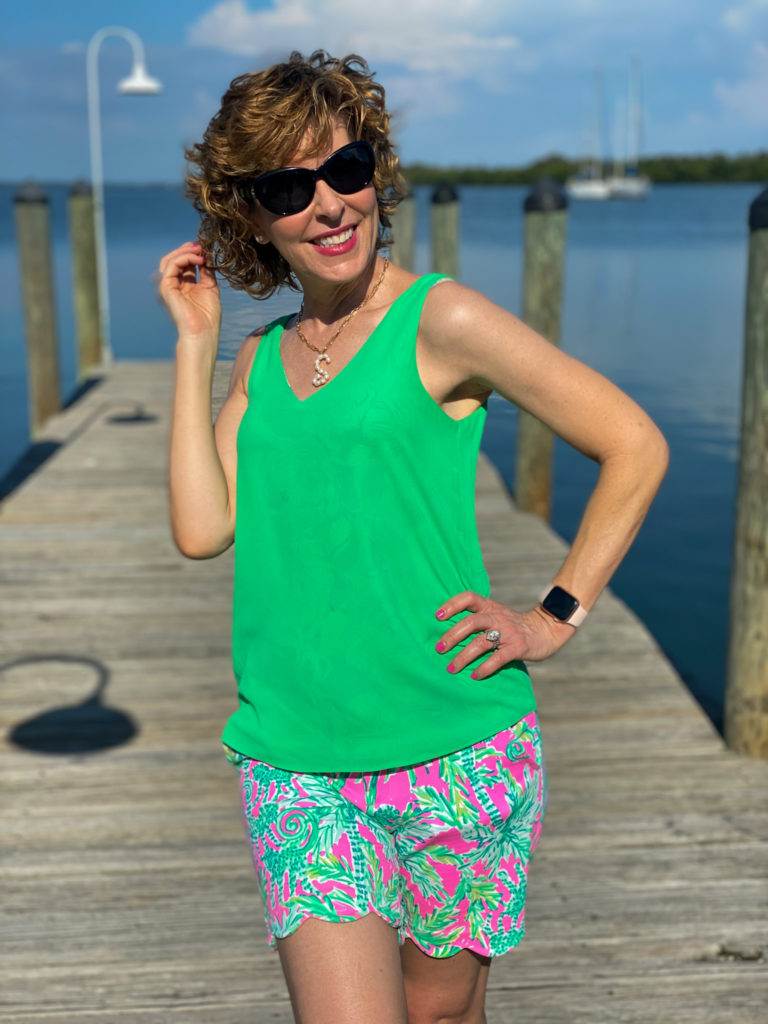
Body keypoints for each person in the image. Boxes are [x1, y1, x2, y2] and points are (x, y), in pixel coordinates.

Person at [159, 48, 669, 1024]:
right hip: (296, 760)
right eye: (288, 186)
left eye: (346, 170)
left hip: (457, 749)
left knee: (440, 1017)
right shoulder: (258, 362)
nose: (329, 205)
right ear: (251, 216)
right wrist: (194, 345)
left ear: (376, 174)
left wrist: (553, 616)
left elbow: (633, 444)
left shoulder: (444, 319)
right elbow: (201, 527)